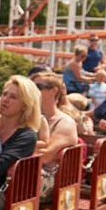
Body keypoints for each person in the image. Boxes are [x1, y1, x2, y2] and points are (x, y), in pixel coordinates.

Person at [0, 76, 42, 210]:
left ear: (25, 105)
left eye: (13, 97)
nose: (5, 99)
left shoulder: (27, 136)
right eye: (4, 94)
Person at [31, 72, 80, 201]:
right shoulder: (27, 117)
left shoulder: (65, 122)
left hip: (48, 180)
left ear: (54, 91)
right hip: (28, 170)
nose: (32, 91)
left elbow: (45, 156)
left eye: (38, 87)